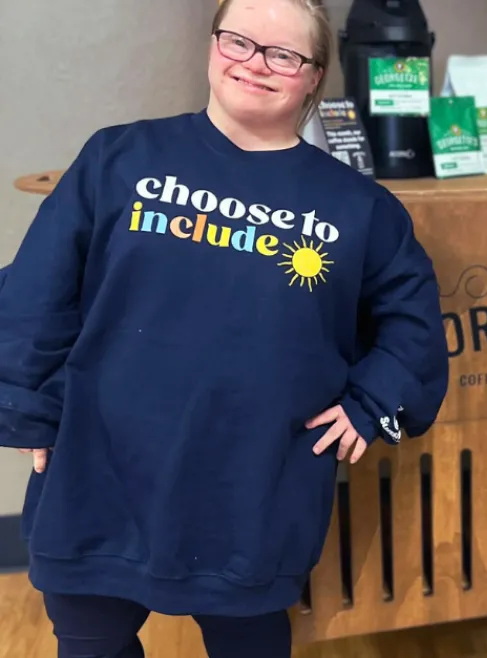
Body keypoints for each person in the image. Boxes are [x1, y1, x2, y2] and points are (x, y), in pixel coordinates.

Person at [0, 0, 449, 655]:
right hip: (100, 464)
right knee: (90, 638)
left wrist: (371, 402)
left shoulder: (360, 208)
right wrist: (27, 408)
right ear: (213, 45)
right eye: (238, 40)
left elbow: (413, 325)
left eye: (283, 54)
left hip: (254, 480)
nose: (254, 63)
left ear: (314, 76)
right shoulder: (118, 158)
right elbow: (38, 289)